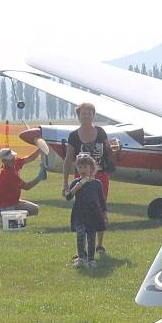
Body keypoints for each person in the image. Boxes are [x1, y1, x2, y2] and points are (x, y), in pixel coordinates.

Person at [62, 102, 118, 255]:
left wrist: (114, 148)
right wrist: (65, 183)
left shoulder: (101, 132)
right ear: (78, 116)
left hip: (100, 177)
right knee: (82, 209)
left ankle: (99, 245)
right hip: (80, 177)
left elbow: (108, 152)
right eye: (83, 113)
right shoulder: (73, 136)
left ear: (93, 115)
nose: (86, 116)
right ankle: (83, 247)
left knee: (99, 208)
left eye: (89, 113)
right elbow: (68, 159)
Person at [66, 154, 107, 268]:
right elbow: (68, 197)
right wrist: (75, 189)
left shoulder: (96, 183)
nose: (82, 169)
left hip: (93, 214)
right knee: (80, 235)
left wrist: (104, 213)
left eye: (85, 167)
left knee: (91, 237)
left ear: (91, 168)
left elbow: (101, 200)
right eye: (79, 167)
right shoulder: (75, 182)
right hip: (79, 214)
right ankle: (80, 258)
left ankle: (91, 259)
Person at [0, 147, 45, 226]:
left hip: (13, 202)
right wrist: (39, 178)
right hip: (2, 205)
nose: (13, 159)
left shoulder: (14, 163)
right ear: (4, 161)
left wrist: (41, 148)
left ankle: (9, 216)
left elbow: (30, 158)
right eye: (11, 159)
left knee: (34, 209)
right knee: (12, 224)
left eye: (13, 157)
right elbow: (26, 187)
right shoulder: (7, 174)